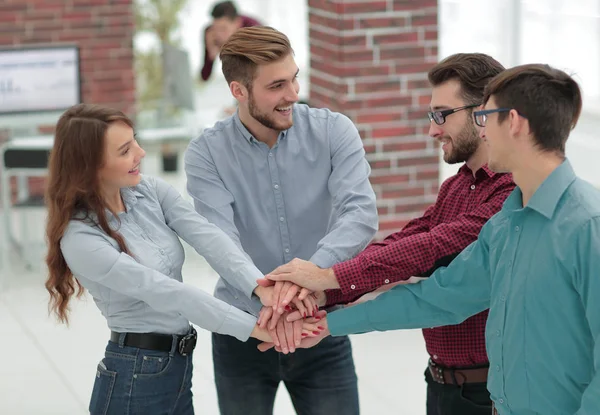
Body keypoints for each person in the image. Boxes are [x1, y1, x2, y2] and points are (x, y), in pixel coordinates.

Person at [276, 64, 600, 415]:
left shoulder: (587, 226)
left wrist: (328, 280)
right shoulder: (505, 225)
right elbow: (438, 299)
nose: (483, 131)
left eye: (486, 118)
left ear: (514, 123)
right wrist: (327, 324)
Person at [264, 53, 515, 415]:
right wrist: (321, 290)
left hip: (486, 394)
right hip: (443, 384)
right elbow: (409, 238)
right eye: (432, 116)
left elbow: (431, 248)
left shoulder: (509, 194)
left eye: (442, 115)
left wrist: (329, 279)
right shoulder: (458, 187)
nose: (433, 129)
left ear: (483, 113)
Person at [44, 103, 321, 415]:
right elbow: (168, 292)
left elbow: (208, 237)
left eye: (135, 140)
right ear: (90, 166)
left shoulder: (149, 192)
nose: (140, 153)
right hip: (134, 377)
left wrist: (261, 288)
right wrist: (258, 328)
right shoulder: (82, 239)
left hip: (175, 366)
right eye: (125, 151)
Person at [184, 26, 378, 415]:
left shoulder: (333, 131)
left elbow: (360, 214)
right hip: (243, 333)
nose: (292, 94)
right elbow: (219, 240)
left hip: (321, 326)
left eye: (294, 79)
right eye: (276, 85)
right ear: (239, 91)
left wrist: (307, 279)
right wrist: (264, 295)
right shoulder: (206, 154)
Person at [200, 1, 261, 81]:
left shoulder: (255, 29)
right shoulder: (211, 33)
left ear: (237, 23)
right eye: (215, 28)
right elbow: (205, 76)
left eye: (223, 29)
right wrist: (211, 54)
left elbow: (256, 72)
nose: (218, 34)